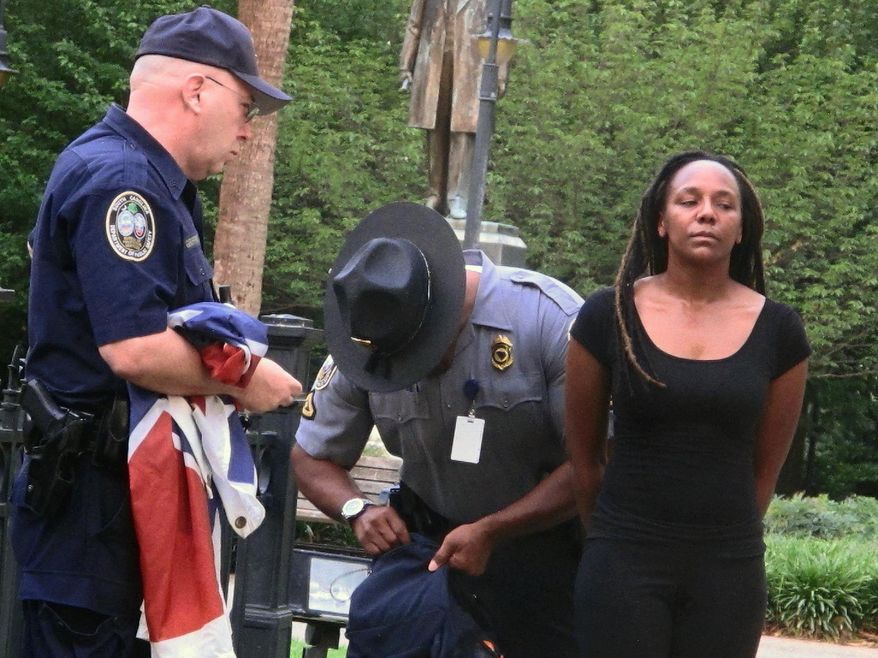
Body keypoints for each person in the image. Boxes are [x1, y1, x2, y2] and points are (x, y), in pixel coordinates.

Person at [9, 7, 302, 657]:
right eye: (247, 106)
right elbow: (133, 346)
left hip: (120, 513)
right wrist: (247, 380)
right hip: (91, 513)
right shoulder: (123, 181)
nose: (249, 132)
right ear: (198, 91)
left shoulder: (154, 184)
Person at [292, 201, 582, 657]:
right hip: (425, 551)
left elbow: (595, 464)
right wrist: (356, 509)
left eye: (421, 354)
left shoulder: (549, 320)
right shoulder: (368, 333)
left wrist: (492, 531)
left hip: (542, 555)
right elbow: (310, 454)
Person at [565, 151, 810, 658]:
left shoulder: (780, 331)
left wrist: (723, 537)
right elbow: (584, 459)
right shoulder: (606, 315)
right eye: (689, 200)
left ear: (741, 229)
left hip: (728, 567)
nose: (707, 213)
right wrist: (609, 539)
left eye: (725, 205)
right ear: (660, 220)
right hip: (622, 560)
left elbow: (764, 472)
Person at [399, 0, 508, 219]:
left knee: (463, 130)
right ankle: (435, 193)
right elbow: (414, 24)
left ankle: (457, 196)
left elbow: (501, 28)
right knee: (435, 127)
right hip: (433, 61)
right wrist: (405, 66)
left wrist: (501, 72)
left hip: (472, 65)